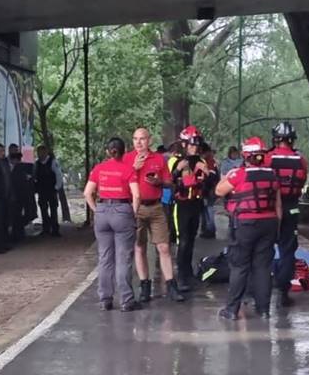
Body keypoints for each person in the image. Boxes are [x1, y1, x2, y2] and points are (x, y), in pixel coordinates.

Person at [215, 137, 281, 319]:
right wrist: (277, 228)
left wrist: (228, 176)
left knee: (239, 266)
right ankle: (264, 309)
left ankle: (231, 309)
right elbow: (278, 206)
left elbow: (219, 191)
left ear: (246, 155)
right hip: (269, 224)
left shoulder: (239, 174)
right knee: (263, 267)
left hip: (245, 225)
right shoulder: (272, 176)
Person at [124, 128, 184, 302]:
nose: (139, 142)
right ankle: (144, 285)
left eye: (142, 139)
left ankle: (171, 284)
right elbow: (122, 182)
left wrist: (159, 181)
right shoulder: (127, 159)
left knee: (164, 247)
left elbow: (169, 182)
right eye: (135, 139)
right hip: (135, 207)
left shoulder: (158, 158)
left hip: (156, 206)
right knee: (139, 247)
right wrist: (134, 169)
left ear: (149, 140)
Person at [85, 137, 142, 312]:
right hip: (122, 211)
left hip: (102, 210)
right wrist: (132, 212)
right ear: (124, 152)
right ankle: (126, 300)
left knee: (105, 258)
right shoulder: (128, 170)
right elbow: (137, 195)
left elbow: (88, 193)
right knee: (123, 258)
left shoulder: (98, 169)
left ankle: (105, 299)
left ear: (107, 151)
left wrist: (97, 210)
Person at [269, 121, 309, 311]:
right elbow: (302, 181)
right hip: (291, 207)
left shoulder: (268, 158)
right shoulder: (301, 160)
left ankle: (258, 292)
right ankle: (283, 292)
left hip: (269, 209)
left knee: (263, 250)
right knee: (287, 251)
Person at [168, 126, 213, 291]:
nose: (195, 148)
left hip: (196, 203)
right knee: (183, 240)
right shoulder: (175, 161)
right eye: (191, 144)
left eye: (197, 145)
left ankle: (188, 273)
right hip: (181, 205)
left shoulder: (201, 162)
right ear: (185, 145)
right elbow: (168, 182)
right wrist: (179, 170)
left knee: (192, 240)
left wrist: (207, 173)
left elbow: (209, 186)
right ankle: (181, 276)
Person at [9, 143, 36, 241]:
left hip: (23, 192)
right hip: (13, 193)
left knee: (28, 213)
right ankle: (16, 233)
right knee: (15, 214)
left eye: (16, 150)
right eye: (13, 150)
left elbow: (30, 174)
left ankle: (19, 231)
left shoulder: (24, 163)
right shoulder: (6, 163)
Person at [34, 144, 63, 237]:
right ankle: (46, 229)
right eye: (38, 153)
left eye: (42, 152)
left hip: (51, 189)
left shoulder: (53, 162)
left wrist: (57, 187)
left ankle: (55, 230)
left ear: (46, 152)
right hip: (42, 190)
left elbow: (59, 175)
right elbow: (35, 176)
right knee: (43, 210)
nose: (40, 154)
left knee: (53, 209)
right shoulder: (37, 163)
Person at [199, 142, 219, 239]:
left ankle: (211, 229)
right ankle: (206, 228)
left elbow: (211, 176)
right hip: (208, 188)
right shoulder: (208, 160)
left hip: (209, 188)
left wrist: (205, 185)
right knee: (205, 209)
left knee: (209, 209)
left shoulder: (209, 161)